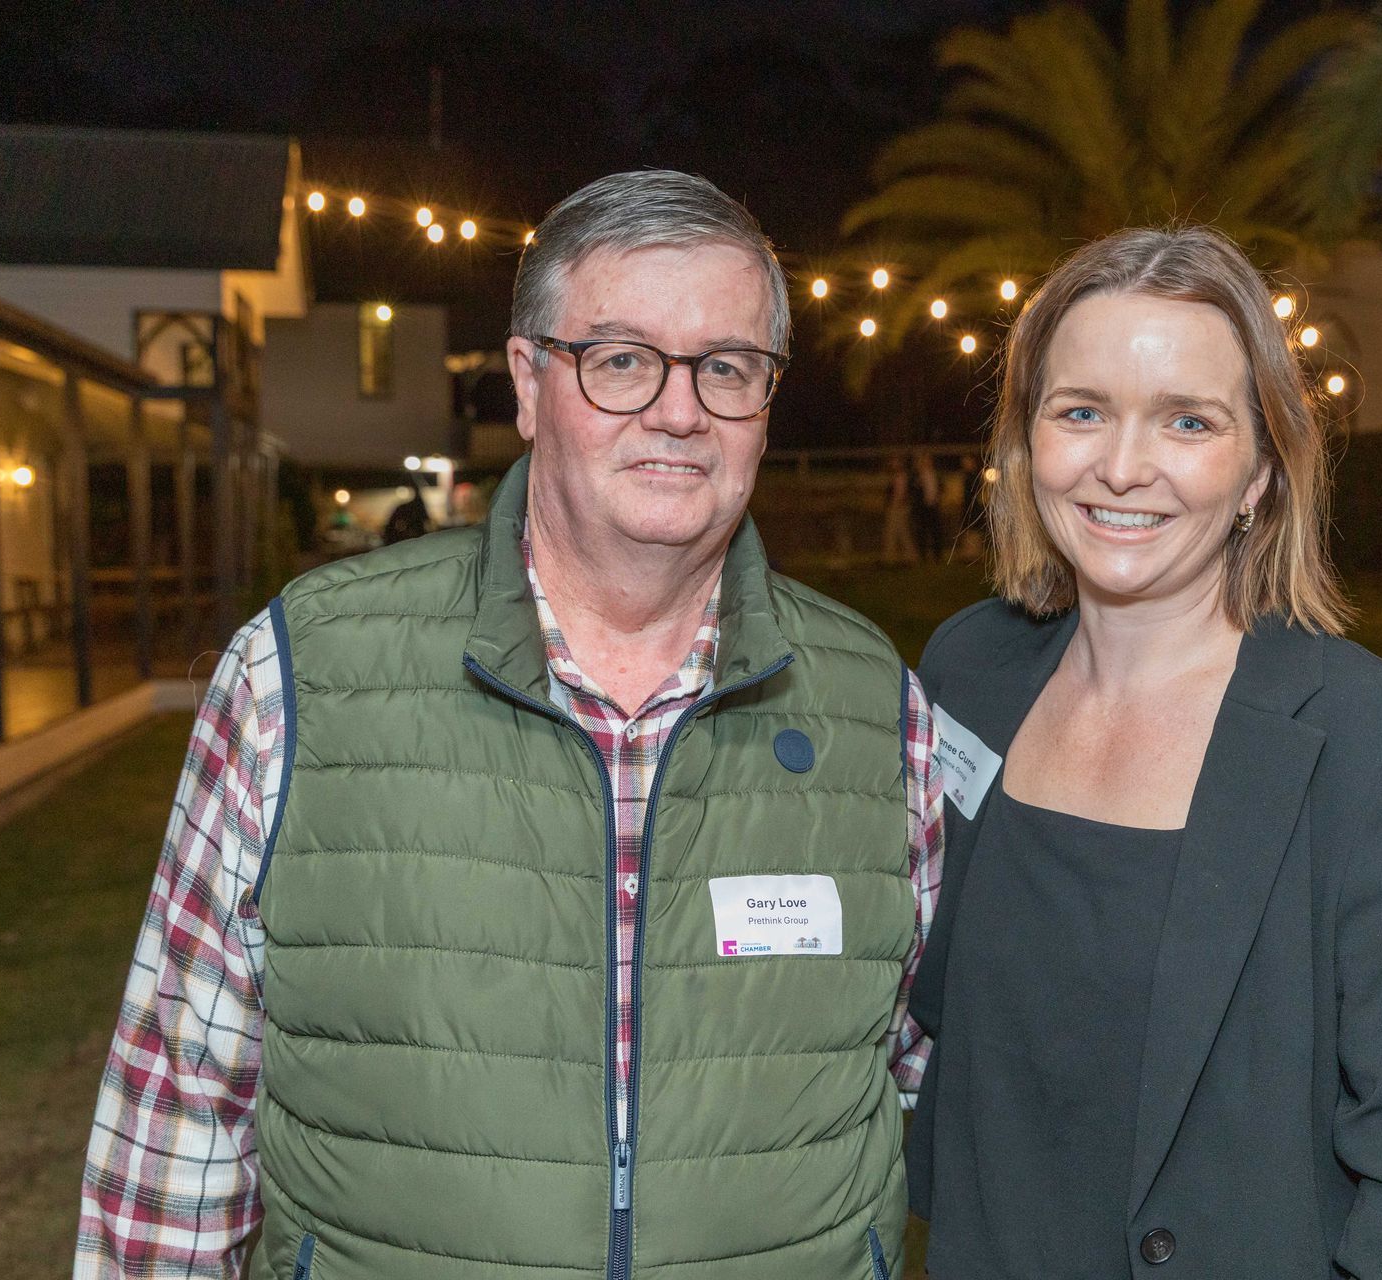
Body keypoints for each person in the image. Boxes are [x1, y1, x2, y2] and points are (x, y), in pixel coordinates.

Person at [76, 170, 943, 1280]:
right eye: (621, 358)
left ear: (766, 404)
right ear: (529, 384)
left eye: (727, 368)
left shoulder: (878, 705)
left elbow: (929, 1079)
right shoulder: (301, 675)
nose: (679, 410)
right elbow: (179, 1116)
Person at [904, 225, 1382, 1279]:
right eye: (1081, 410)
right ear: (1027, 441)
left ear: (1262, 470)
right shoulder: (968, 674)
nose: (1122, 466)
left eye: (1188, 420)